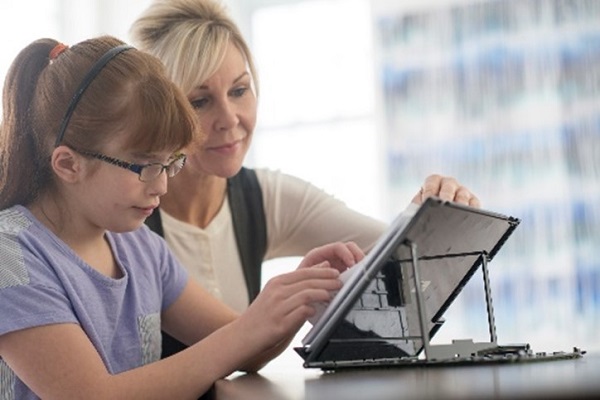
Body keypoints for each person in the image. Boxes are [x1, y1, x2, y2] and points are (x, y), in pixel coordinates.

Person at [0, 35, 365, 399]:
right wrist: (249, 328)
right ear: (68, 164)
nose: (161, 185)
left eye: (170, 163)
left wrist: (294, 298)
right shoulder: (10, 256)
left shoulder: (140, 247)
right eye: (144, 165)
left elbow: (247, 350)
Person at [129, 0, 481, 358]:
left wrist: (429, 211)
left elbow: (402, 254)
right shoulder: (128, 218)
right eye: (200, 101)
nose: (230, 119)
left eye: (239, 91)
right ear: (163, 113)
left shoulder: (265, 198)